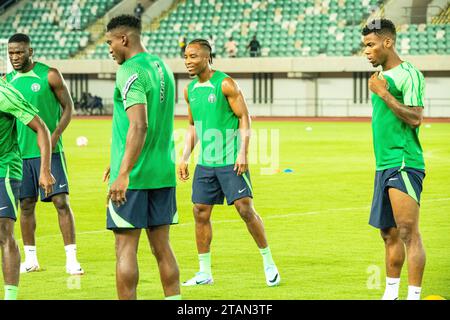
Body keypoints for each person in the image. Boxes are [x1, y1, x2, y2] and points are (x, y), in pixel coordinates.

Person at [179, 39, 280, 287]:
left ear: (206, 57)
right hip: (206, 163)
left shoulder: (225, 83)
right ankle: (204, 272)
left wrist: (243, 153)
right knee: (199, 212)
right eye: (186, 57)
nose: (188, 61)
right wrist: (184, 157)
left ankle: (269, 264)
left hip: (231, 161)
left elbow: (244, 117)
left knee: (245, 210)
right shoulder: (189, 89)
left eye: (193, 56)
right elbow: (193, 126)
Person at [104, 14, 180, 300]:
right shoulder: (162, 67)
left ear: (124, 39)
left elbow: (139, 124)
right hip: (163, 172)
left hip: (134, 178)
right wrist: (117, 160)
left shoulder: (129, 70)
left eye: (110, 42)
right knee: (162, 248)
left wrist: (122, 172)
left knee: (125, 249)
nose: (109, 48)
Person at [6, 33, 84, 275]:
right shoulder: (7, 82)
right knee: (26, 205)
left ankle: (71, 259)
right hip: (20, 156)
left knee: (61, 201)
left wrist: (56, 135)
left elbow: (68, 107)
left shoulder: (49, 74)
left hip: (50, 152)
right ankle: (31, 259)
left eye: (19, 52)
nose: (15, 57)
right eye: (11, 53)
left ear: (31, 51)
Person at [363, 19, 426, 300]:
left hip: (404, 162)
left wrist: (384, 93)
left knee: (407, 232)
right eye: (364, 45)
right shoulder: (379, 76)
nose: (366, 51)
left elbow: (416, 118)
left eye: (371, 45)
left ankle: (413, 295)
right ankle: (391, 294)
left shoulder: (409, 74)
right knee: (388, 234)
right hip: (383, 165)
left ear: (388, 42)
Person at [0, 77, 55, 299]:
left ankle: (10, 296)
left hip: (3, 170)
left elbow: (41, 127)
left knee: (3, 231)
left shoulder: (5, 94)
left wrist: (44, 169)